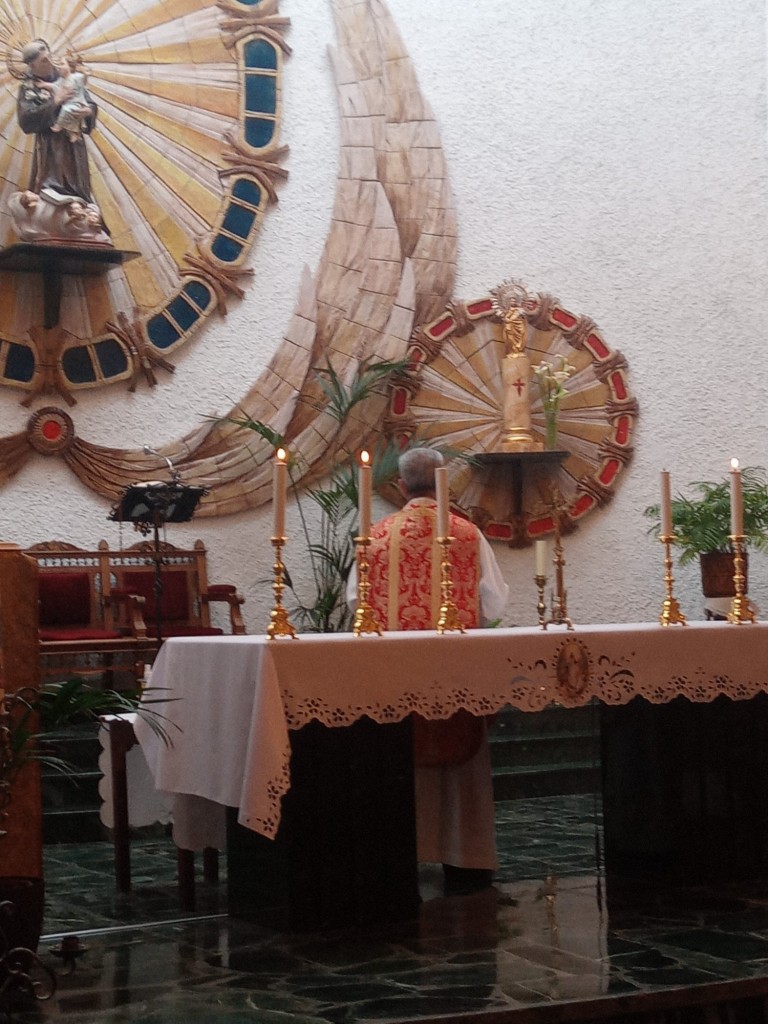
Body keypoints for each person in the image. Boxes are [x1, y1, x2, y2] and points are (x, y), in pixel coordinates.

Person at [347, 447, 509, 893]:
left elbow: (354, 604)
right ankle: (467, 861)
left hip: (394, 681)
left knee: (398, 764)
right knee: (464, 775)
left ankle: (399, 858)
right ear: (444, 482)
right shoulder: (467, 534)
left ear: (400, 486)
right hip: (457, 679)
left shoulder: (376, 536)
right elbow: (495, 602)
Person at [17, 40, 98, 205]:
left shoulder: (66, 75)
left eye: (49, 57)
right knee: (50, 190)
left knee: (78, 190)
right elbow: (26, 120)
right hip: (50, 146)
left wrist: (88, 111)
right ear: (33, 66)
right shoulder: (29, 88)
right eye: (43, 61)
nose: (49, 62)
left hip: (74, 143)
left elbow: (87, 100)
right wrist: (55, 102)